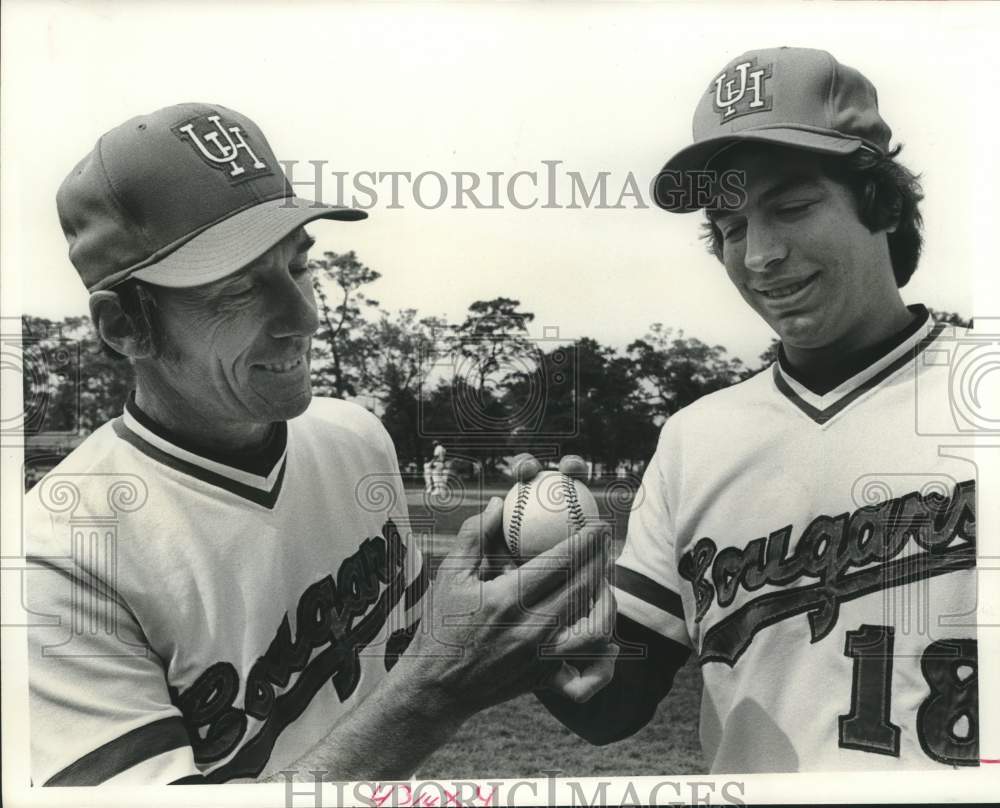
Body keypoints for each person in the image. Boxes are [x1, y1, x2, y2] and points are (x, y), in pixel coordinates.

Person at [24, 102, 614, 785]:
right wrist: (431, 698)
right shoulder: (59, 562)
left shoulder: (353, 439)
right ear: (125, 324)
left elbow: (416, 646)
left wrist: (512, 590)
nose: (303, 316)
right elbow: (423, 685)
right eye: (240, 288)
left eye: (299, 265)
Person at [538, 47, 978, 772]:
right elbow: (610, 701)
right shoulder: (697, 438)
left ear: (883, 203)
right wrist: (537, 604)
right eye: (731, 225)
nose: (761, 255)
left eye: (792, 207)